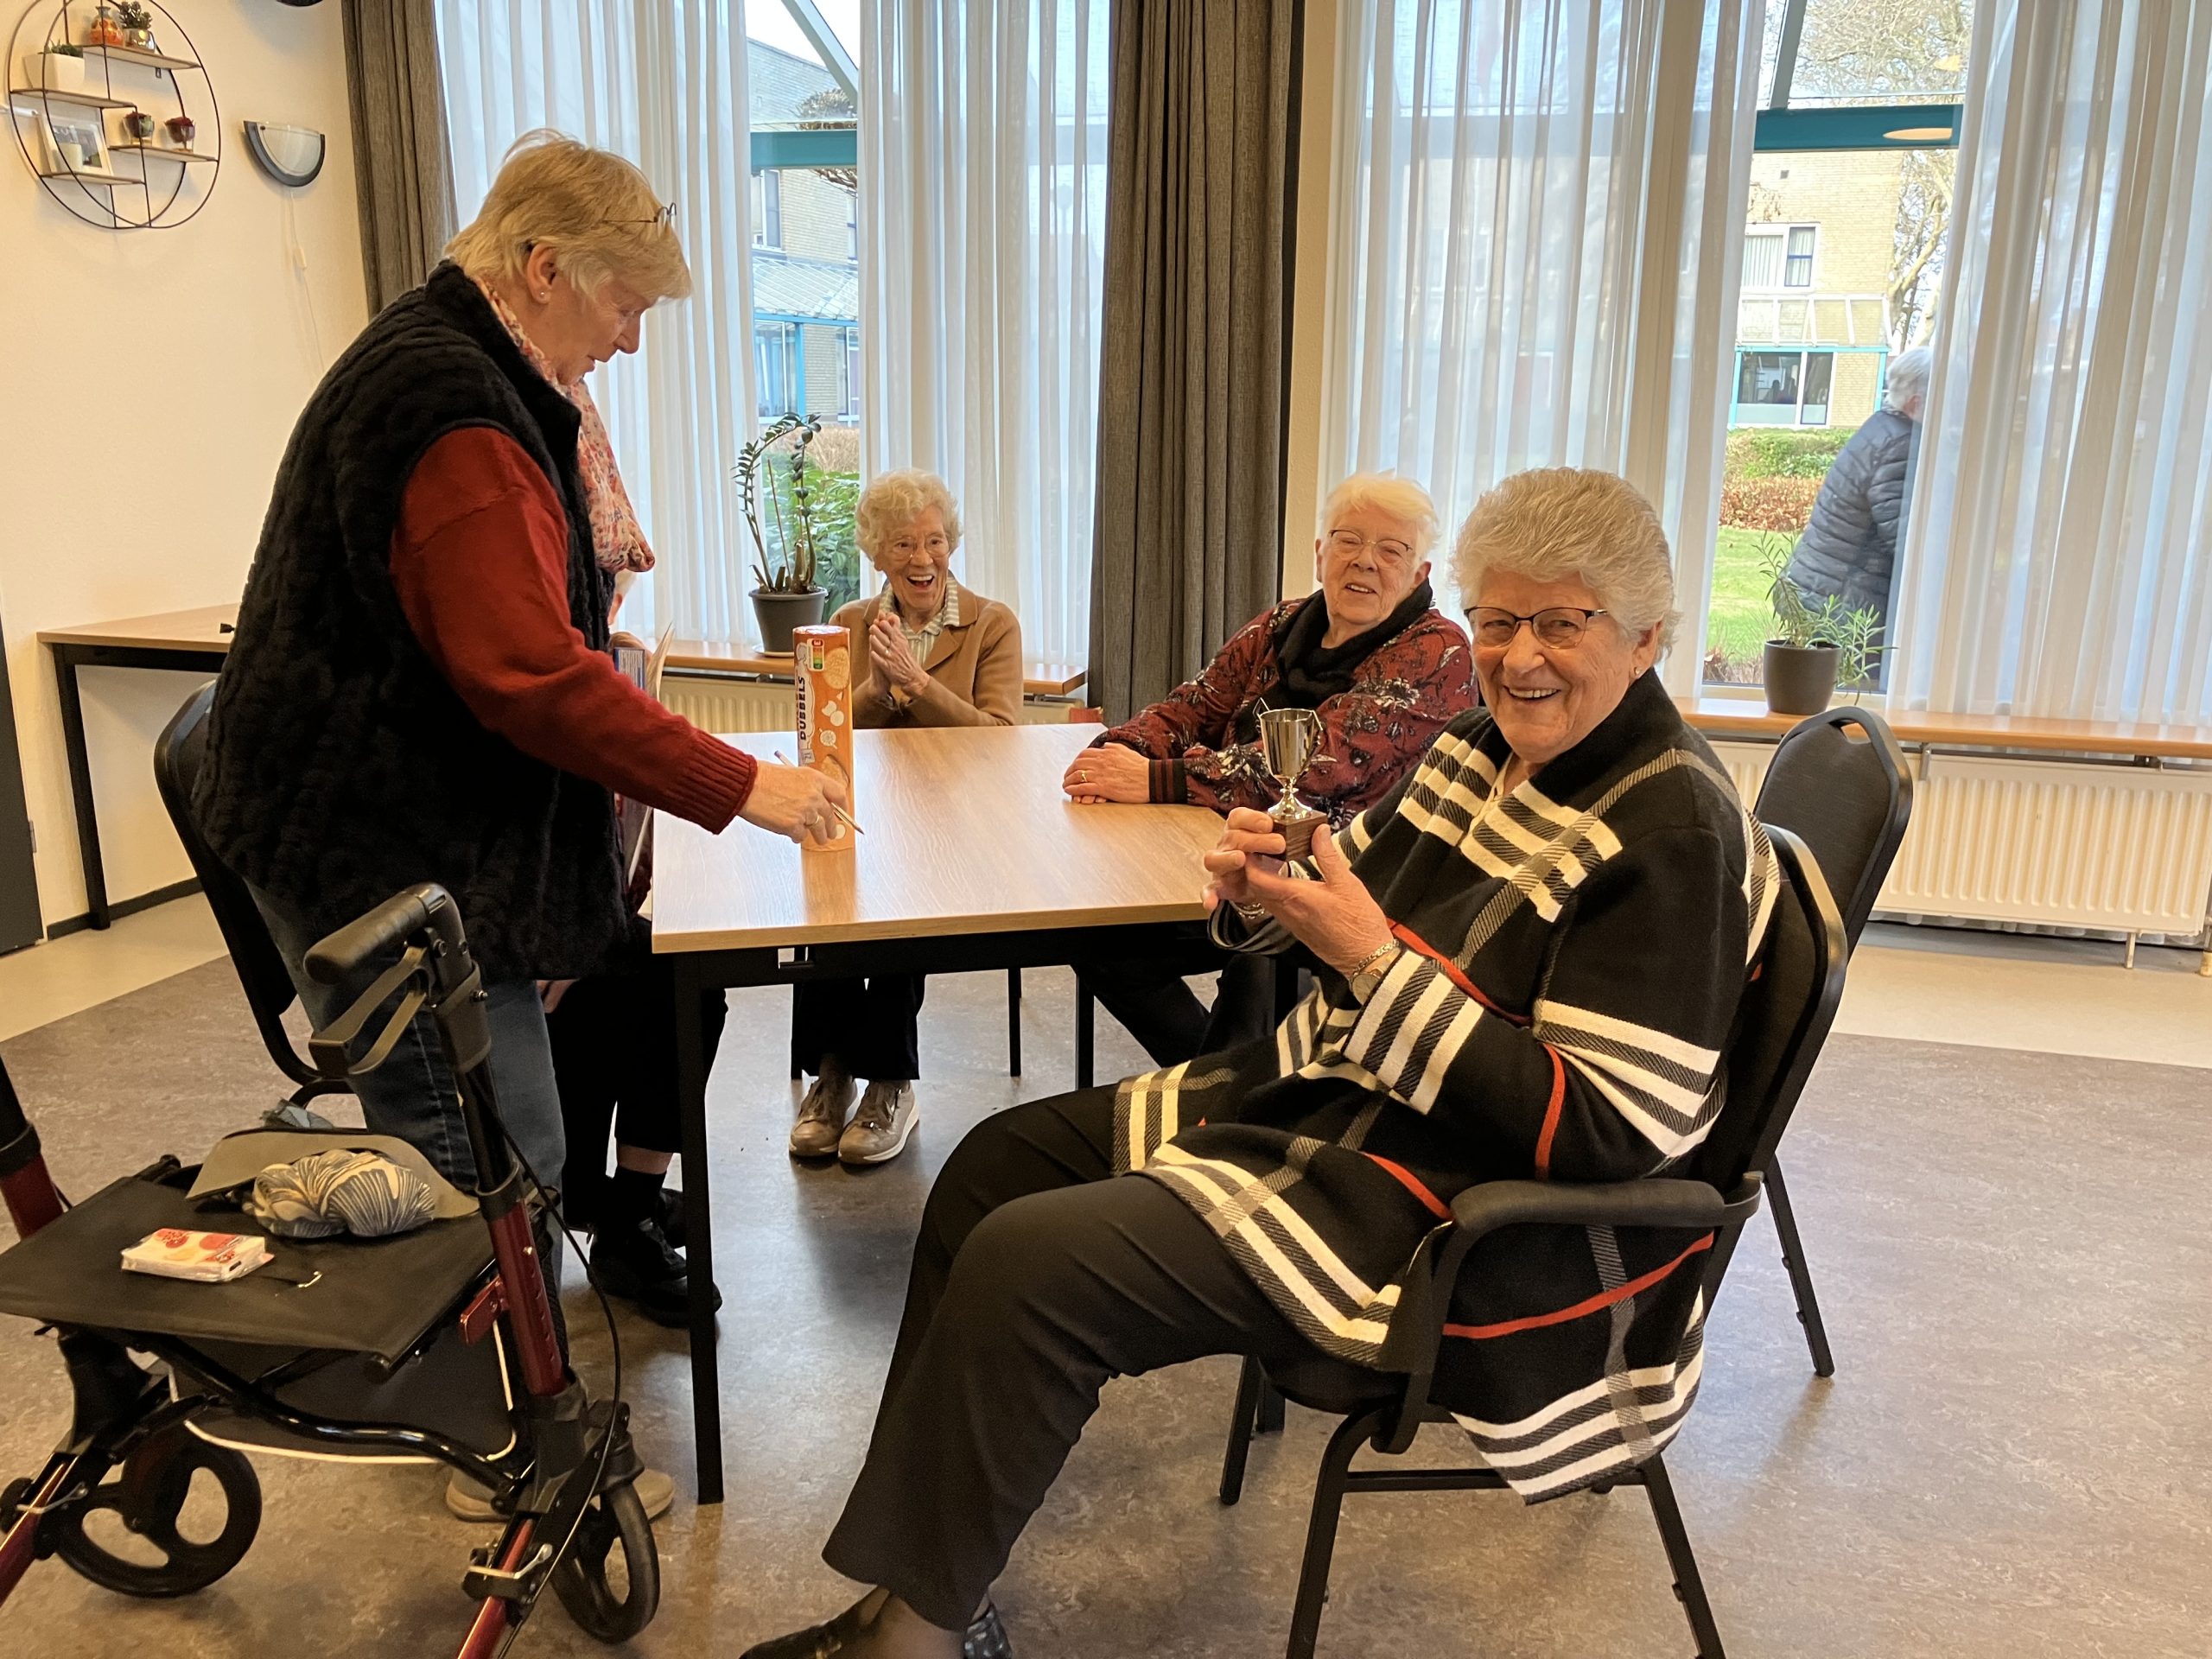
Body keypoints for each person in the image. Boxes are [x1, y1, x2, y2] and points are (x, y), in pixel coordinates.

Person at [737, 467, 1781, 1659]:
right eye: (1497, 619)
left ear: (1647, 637)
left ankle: (911, 1639)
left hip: (1458, 1218)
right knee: (991, 1167)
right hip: (1348, 1109)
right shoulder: (1477, 747)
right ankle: (933, 1586)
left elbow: (1601, 1133)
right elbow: (1350, 885)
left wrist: (1369, 959)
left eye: (1562, 622)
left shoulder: (1674, 833)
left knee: (1032, 1263)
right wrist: (1265, 891)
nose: (1519, 656)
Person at [190, 130, 842, 1516]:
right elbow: (530, 677)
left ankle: (479, 1397)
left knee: (507, 1134)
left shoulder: (447, 361)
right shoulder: (460, 415)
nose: (630, 340)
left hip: (388, 826)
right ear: (544, 268)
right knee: (493, 1158)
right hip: (369, 851)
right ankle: (502, 1456)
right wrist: (745, 787)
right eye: (625, 305)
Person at [1065, 472, 1474, 1065]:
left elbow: (1321, 765)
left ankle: (1224, 1090)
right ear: (1320, 554)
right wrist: (1115, 756)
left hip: (1356, 880)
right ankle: (1215, 1079)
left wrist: (1155, 780)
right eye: (1349, 540)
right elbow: (1193, 705)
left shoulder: (1439, 651)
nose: (1365, 561)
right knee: (1098, 936)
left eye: (1392, 550)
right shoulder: (1282, 624)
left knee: (1258, 958)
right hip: (1225, 849)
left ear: (1419, 574)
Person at [789, 469, 1024, 1166]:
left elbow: (1000, 738)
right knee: (822, 891)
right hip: (864, 815)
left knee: (906, 890)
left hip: (956, 824)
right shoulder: (849, 624)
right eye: (903, 544)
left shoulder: (992, 624)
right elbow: (824, 735)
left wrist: (917, 685)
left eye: (934, 541)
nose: (922, 559)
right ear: (877, 554)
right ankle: (833, 1074)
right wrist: (879, 689)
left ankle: (891, 1082)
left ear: (951, 544)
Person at [1786, 346, 1932, 627]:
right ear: (1915, 403)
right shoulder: (1901, 445)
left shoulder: (1881, 427)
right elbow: (1907, 539)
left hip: (1818, 584)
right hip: (1843, 599)